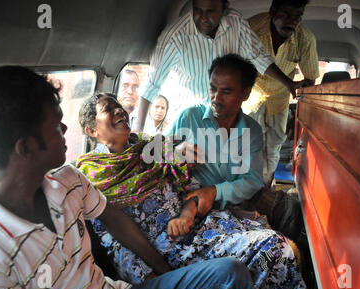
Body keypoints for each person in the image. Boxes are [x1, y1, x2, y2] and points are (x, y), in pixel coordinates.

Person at [0, 65, 255, 289]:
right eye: (57, 125)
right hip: (159, 250)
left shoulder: (69, 181)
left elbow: (113, 217)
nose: (65, 129)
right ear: (26, 147)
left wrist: (163, 271)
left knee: (232, 274)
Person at [76, 67, 309, 289]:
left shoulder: (149, 147)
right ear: (91, 130)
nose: (119, 110)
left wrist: (190, 207)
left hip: (199, 226)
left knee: (278, 245)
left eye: (118, 105)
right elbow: (113, 240)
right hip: (170, 251)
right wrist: (156, 279)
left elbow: (188, 186)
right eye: (109, 109)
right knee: (273, 249)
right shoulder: (92, 177)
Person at [132, 0, 304, 133]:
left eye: (210, 11)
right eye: (197, 10)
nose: (203, 17)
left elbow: (258, 56)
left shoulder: (235, 23)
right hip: (189, 120)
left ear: (224, 7)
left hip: (227, 120)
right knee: (181, 169)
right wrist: (137, 130)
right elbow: (152, 84)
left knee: (224, 170)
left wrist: (288, 83)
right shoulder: (175, 37)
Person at [167, 54, 263, 215]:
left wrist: (215, 192)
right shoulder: (188, 117)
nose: (216, 98)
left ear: (245, 94)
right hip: (183, 207)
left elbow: (252, 180)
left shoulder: (253, 131)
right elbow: (155, 157)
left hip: (230, 212)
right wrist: (176, 152)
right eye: (213, 89)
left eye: (226, 91)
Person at [246, 0, 319, 184]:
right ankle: (247, 186)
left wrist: (304, 93)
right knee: (249, 143)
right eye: (287, 14)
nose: (292, 21)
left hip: (280, 96)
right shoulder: (252, 28)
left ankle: (266, 187)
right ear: (273, 11)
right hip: (251, 92)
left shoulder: (305, 39)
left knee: (274, 145)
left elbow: (310, 79)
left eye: (297, 17)